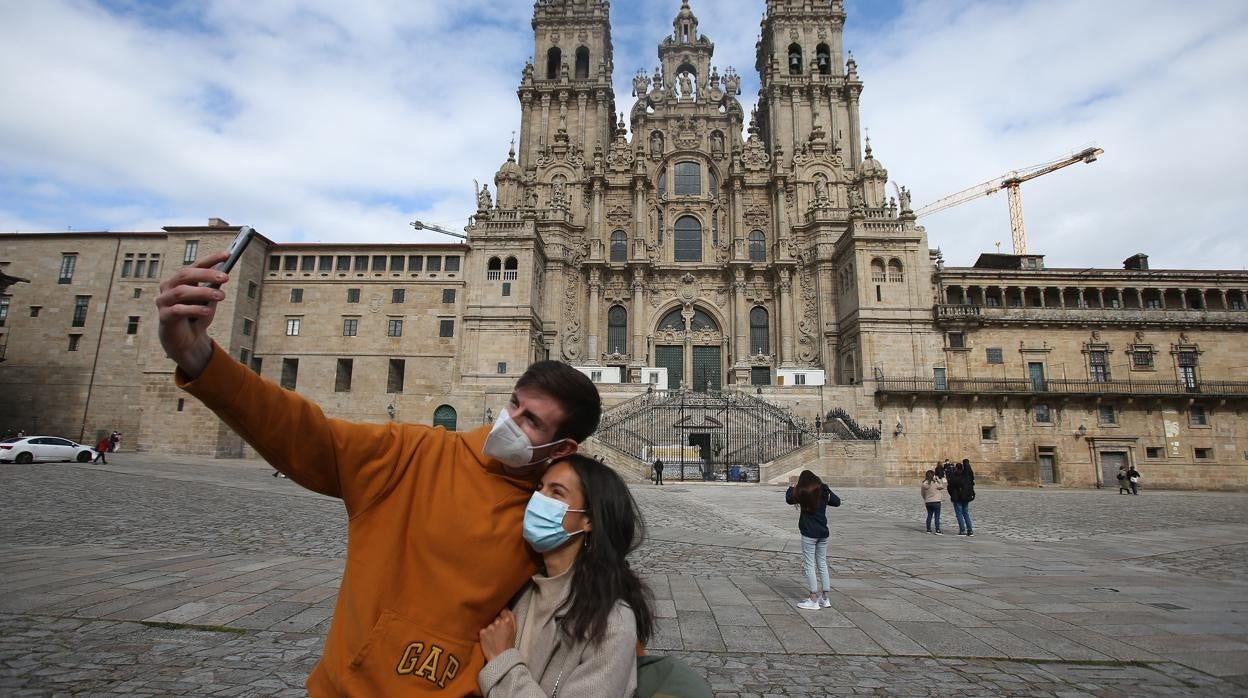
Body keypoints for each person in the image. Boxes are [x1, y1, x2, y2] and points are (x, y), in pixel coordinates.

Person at [156, 252, 603, 696]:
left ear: (562, 447)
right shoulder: (412, 454)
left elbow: (590, 600)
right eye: (514, 404)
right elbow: (307, 434)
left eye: (531, 421)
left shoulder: (554, 511)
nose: (511, 421)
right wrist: (199, 358)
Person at [477, 454, 653, 696]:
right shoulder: (519, 588)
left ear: (588, 519)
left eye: (556, 493)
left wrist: (504, 661)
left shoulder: (613, 622)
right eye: (539, 488)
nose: (539, 500)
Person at [785, 470, 841, 610]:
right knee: (822, 563)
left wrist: (791, 486)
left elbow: (788, 498)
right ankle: (825, 598)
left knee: (809, 565)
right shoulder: (822, 490)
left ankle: (813, 599)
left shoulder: (802, 491)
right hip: (823, 533)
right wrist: (826, 489)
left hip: (809, 533)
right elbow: (836, 501)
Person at [946, 459, 975, 536]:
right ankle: (970, 530)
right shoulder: (967, 476)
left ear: (956, 468)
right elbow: (971, 485)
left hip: (957, 498)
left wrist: (952, 495)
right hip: (966, 498)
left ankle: (962, 530)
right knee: (966, 513)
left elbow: (949, 488)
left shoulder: (954, 477)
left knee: (959, 514)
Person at [920, 470, 944, 534]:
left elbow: (922, 493)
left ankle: (928, 529)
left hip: (928, 502)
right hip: (936, 502)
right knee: (937, 516)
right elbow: (942, 486)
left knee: (929, 515)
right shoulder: (935, 484)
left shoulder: (924, 484)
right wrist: (938, 479)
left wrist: (926, 499)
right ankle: (937, 530)